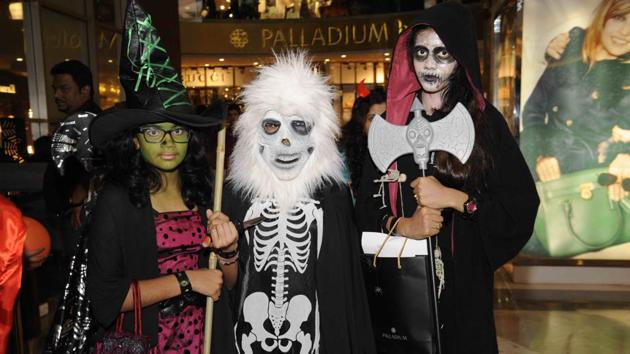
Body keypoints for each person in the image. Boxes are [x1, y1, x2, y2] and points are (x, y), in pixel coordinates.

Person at [354, 2, 539, 353]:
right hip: (400, 295)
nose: (429, 64)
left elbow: (519, 207)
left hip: (463, 296)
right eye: (421, 52)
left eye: (442, 54)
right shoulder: (391, 127)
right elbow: (361, 210)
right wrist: (403, 225)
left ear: (461, 60)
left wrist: (457, 199)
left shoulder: (485, 124)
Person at [86, 1, 234, 352]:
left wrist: (229, 252)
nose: (168, 142)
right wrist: (185, 281)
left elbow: (225, 284)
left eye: (177, 131)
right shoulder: (117, 200)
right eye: (154, 133)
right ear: (135, 141)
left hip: (205, 339)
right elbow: (105, 297)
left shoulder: (206, 195)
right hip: (148, 341)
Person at [219, 51, 375, 354]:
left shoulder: (332, 197)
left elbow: (346, 292)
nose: (286, 142)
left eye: (300, 125)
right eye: (272, 127)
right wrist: (227, 253)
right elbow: (225, 287)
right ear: (254, 134)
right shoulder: (236, 195)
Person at [521, 0, 630, 201]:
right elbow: (533, 111)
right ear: (603, 16)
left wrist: (627, 156)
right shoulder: (570, 47)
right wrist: (540, 154)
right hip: (544, 178)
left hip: (595, 186)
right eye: (619, 17)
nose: (626, 32)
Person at [44, 59, 102, 259]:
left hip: (80, 213)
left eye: (64, 89)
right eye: (55, 89)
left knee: (82, 274)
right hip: (72, 211)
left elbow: (100, 160)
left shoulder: (89, 121)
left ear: (85, 90)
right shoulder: (78, 119)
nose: (57, 95)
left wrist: (82, 191)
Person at [341, 86, 386, 198]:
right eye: (372, 118)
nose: (379, 125)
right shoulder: (343, 158)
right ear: (361, 122)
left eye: (384, 117)